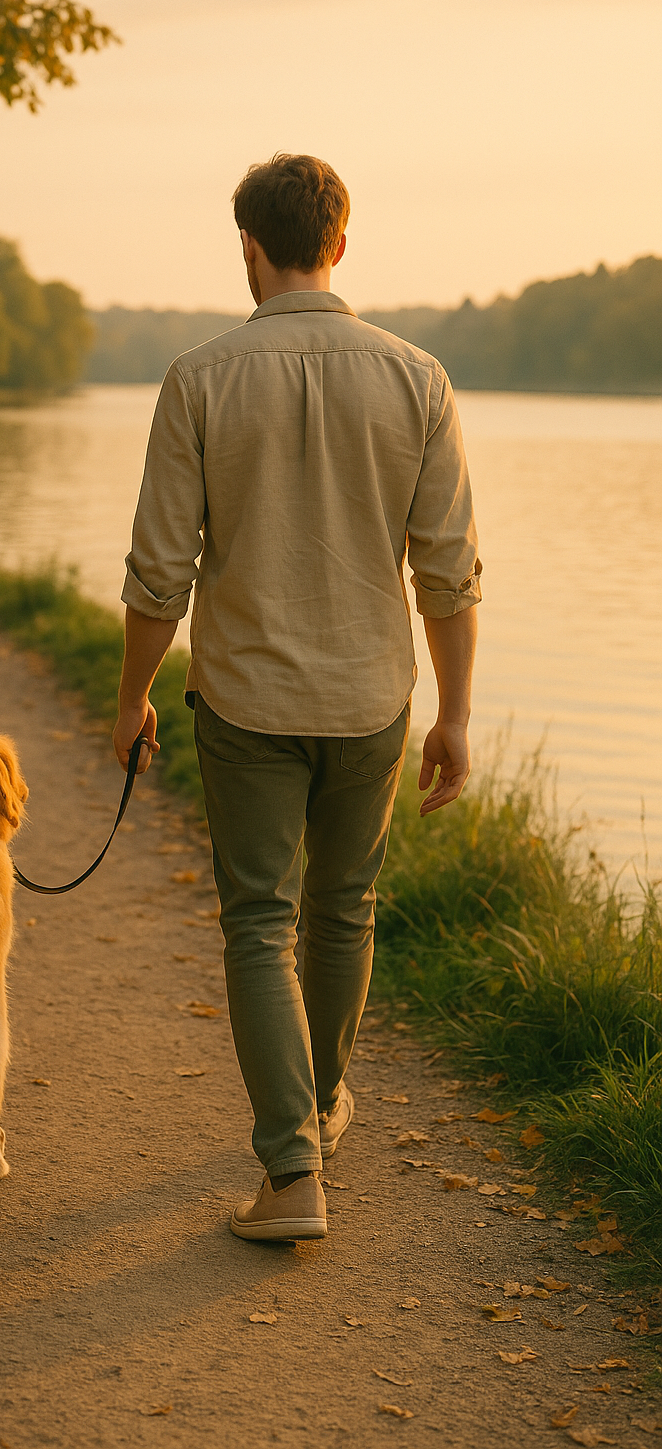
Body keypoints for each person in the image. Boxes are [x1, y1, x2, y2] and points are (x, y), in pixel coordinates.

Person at [113, 154, 481, 1241]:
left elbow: (155, 575)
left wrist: (133, 699)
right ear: (341, 244)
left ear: (247, 249)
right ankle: (316, 1114)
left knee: (258, 921)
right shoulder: (418, 377)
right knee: (343, 910)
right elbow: (448, 571)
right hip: (372, 697)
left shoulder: (199, 378)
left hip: (245, 702)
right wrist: (454, 713)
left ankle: (289, 1173)